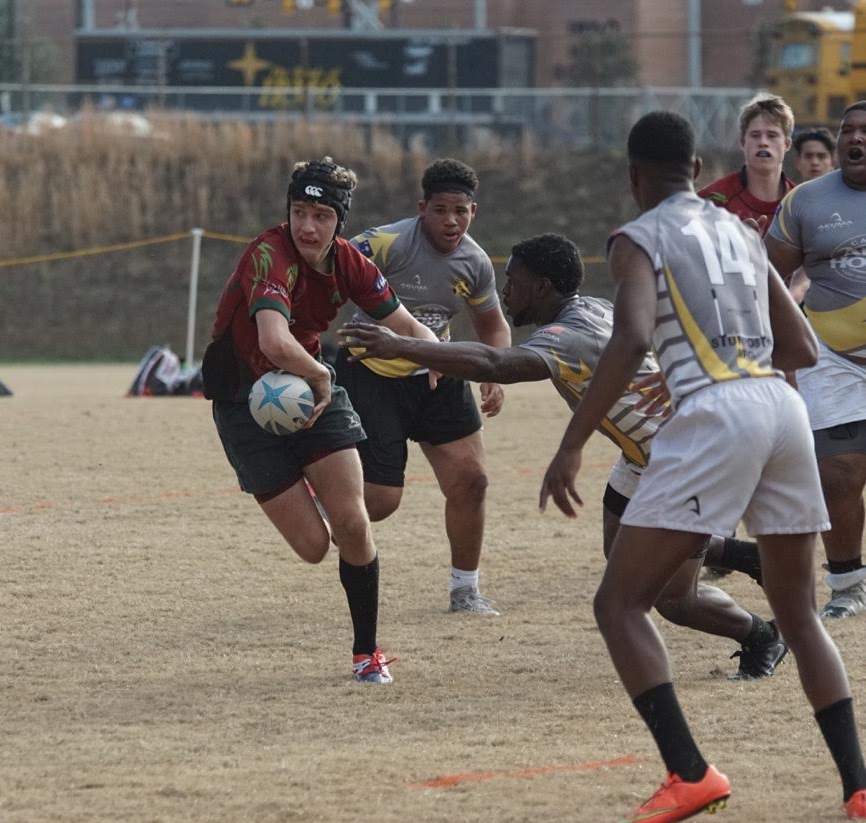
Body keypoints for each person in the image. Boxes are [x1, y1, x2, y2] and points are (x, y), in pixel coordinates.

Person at [539, 110, 866, 821]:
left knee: (617, 602)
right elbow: (803, 349)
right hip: (782, 410)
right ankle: (858, 786)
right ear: (695, 166)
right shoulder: (739, 230)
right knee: (800, 613)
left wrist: (570, 442)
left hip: (717, 413)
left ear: (634, 176)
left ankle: (689, 773)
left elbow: (627, 336)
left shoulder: (637, 236)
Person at [338, 233, 783, 680]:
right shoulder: (592, 306)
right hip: (647, 457)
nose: (506, 290)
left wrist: (406, 346)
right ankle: (745, 556)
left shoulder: (568, 336)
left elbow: (497, 364)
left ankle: (762, 637)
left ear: (542, 288)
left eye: (513, 281)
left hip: (689, 463)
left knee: (670, 597)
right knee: (622, 552)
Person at [201, 156, 439, 684]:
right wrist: (321, 375)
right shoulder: (270, 254)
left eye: (322, 215)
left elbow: (406, 325)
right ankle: (305, 487)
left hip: (308, 392)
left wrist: (439, 357)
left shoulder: (350, 263)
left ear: (340, 222)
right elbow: (273, 341)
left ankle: (366, 654)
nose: (308, 226)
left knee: (352, 523)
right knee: (313, 547)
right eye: (299, 211)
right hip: (245, 402)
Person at [339, 159, 509, 615]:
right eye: (440, 210)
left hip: (439, 372)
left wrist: (493, 372)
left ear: (474, 210)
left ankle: (465, 590)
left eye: (461, 210)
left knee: (472, 481)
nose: (451, 221)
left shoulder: (475, 263)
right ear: (422, 208)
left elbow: (493, 326)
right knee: (380, 501)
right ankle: (320, 496)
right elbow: (327, 273)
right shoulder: (385, 243)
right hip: (371, 373)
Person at [766, 101, 866, 620]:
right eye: (848, 130)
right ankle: (848, 586)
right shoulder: (805, 201)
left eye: (865, 130)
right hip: (832, 357)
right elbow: (767, 278)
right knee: (839, 474)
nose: (856, 138)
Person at [698, 92, 796, 235]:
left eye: (772, 135)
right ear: (742, 142)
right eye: (755, 135)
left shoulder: (801, 202)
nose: (763, 142)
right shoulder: (713, 199)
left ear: (787, 144)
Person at [787, 126, 838, 304]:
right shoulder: (787, 207)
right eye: (808, 156)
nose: (814, 162)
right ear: (798, 162)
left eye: (821, 156)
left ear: (832, 162)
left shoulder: (849, 204)